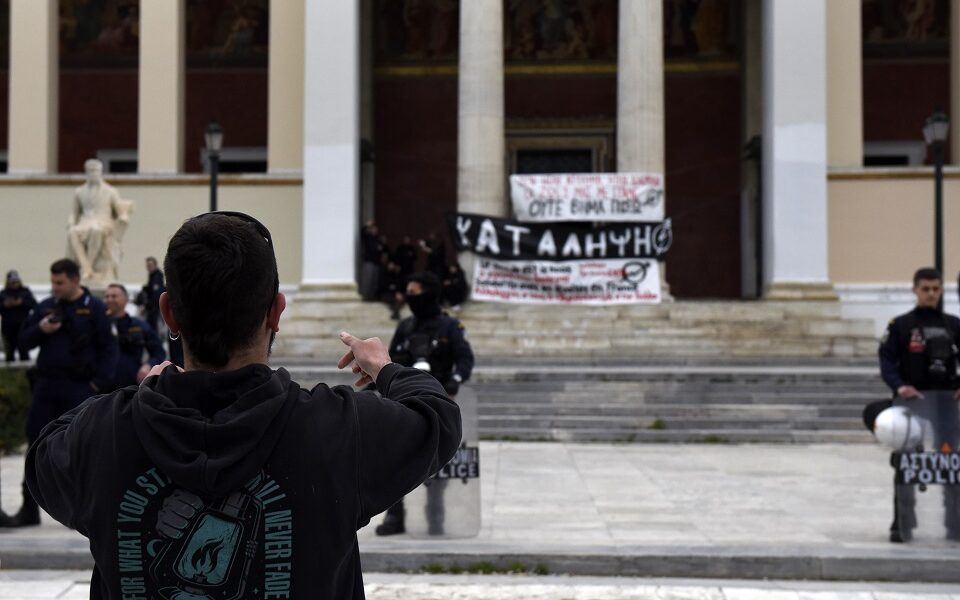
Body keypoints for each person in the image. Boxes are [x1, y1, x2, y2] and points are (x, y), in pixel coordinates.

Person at [25, 212, 461, 598]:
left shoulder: (103, 435)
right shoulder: (340, 429)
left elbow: (44, 454)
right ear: (275, 312)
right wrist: (386, 369)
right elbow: (437, 418)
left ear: (168, 314)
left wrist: (138, 398)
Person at [11, 258, 118, 527]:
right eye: (52, 282)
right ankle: (29, 508)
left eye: (59, 283)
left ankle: (88, 510)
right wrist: (41, 329)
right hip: (47, 386)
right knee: (35, 443)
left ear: (74, 280)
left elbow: (109, 349)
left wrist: (97, 385)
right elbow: (23, 340)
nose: (54, 287)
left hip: (79, 388)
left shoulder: (94, 309)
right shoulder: (47, 307)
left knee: (83, 446)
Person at [376, 271, 474, 536]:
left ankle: (436, 516)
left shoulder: (449, 327)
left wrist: (455, 378)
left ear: (430, 293)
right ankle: (394, 517)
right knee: (396, 460)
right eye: (408, 293)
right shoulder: (406, 326)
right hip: (404, 402)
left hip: (438, 400)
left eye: (415, 293)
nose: (411, 298)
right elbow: (390, 359)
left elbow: (465, 358)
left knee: (437, 461)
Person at [873, 267, 960, 542]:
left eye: (936, 289)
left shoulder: (953, 325)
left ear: (941, 290)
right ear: (915, 290)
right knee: (906, 463)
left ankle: (954, 523)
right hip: (911, 404)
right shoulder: (900, 325)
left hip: (945, 403)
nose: (931, 294)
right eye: (926, 289)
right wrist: (899, 386)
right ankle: (903, 524)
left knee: (950, 461)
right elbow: (886, 360)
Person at [67, 158, 134, 283]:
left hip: (104, 222)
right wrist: (71, 224)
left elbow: (119, 209)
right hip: (84, 222)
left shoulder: (111, 191)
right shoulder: (79, 191)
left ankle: (87, 268)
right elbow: (74, 213)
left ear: (100, 172)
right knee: (72, 233)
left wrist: (123, 216)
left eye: (96, 170)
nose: (93, 173)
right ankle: (86, 268)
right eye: (90, 170)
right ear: (86, 172)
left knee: (96, 230)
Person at [104, 283, 165, 390]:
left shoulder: (139, 326)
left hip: (130, 388)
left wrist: (148, 365)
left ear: (126, 300)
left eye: (114, 296)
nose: (109, 299)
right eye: (107, 296)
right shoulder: (99, 325)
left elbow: (159, 352)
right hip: (101, 389)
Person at [0, 270, 37, 362]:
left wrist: (22, 302)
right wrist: (5, 305)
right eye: (12, 282)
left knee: (24, 353)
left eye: (15, 282)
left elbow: (34, 305)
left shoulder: (25, 292)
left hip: (23, 328)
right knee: (9, 355)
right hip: (8, 329)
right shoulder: (3, 293)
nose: (14, 284)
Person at [135, 256, 165, 333]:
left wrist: (146, 305)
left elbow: (156, 294)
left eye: (150, 265)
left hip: (154, 308)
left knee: (153, 329)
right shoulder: (152, 276)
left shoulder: (157, 277)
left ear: (155, 265)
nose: (149, 267)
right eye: (147, 266)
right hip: (152, 307)